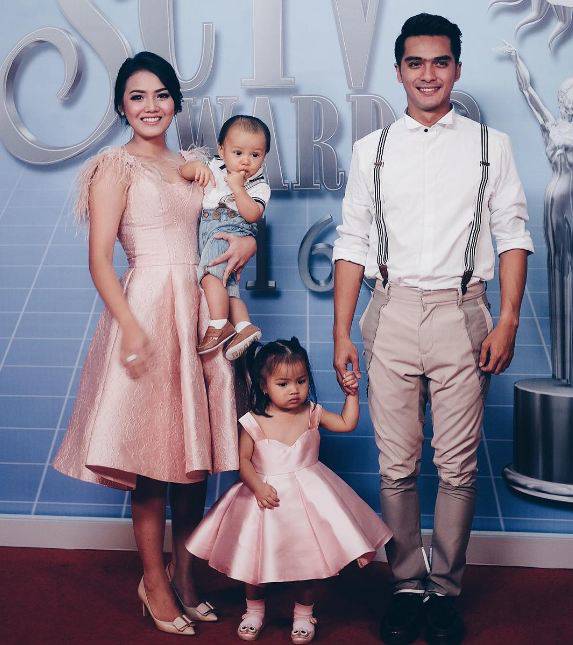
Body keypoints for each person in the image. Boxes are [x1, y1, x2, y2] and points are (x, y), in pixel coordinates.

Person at [332, 14, 534, 645]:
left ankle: (443, 590)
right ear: (399, 72)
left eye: (440, 62)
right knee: (395, 465)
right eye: (415, 63)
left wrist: (507, 318)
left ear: (457, 69)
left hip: (462, 312)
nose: (428, 74)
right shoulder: (371, 150)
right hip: (389, 311)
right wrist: (341, 333)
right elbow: (352, 242)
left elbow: (513, 235)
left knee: (457, 467)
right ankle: (404, 586)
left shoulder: (489, 145)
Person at [53, 51, 257, 636]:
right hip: (145, 308)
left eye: (162, 95)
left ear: (176, 102)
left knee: (194, 460)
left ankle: (186, 577)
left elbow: (228, 226)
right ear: (122, 106)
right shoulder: (113, 167)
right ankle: (154, 582)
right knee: (150, 463)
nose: (151, 106)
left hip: (199, 310)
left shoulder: (196, 164)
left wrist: (246, 245)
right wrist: (131, 325)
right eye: (137, 96)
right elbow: (100, 260)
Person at [185, 337, 392, 643]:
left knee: (309, 563)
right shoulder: (254, 420)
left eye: (301, 381)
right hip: (265, 499)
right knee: (255, 563)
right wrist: (258, 487)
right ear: (264, 386)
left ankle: (304, 614)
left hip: (310, 500)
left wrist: (351, 395)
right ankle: (254, 610)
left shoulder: (312, 413)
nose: (294, 390)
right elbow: (243, 461)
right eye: (283, 384)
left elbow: (346, 423)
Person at [499, 42, 573, 385]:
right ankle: (564, 368)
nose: (570, 100)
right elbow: (527, 91)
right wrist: (517, 58)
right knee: (560, 265)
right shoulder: (551, 125)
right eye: (567, 95)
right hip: (557, 196)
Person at [179, 115, 271, 360]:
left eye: (255, 155)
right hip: (209, 231)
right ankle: (244, 326)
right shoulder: (214, 165)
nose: (245, 161)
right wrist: (196, 168)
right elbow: (183, 171)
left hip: (228, 232)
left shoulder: (259, 185)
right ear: (222, 150)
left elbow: (252, 215)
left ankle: (218, 325)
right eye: (238, 153)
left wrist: (238, 188)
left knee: (211, 276)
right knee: (229, 290)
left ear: (264, 157)